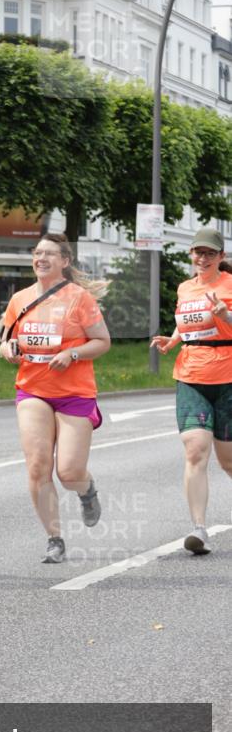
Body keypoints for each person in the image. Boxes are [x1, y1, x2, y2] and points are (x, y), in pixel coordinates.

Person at [0, 232, 111, 563]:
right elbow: (5, 341)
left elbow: (102, 341)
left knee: (69, 472)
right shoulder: (19, 299)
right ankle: (55, 539)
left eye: (49, 254)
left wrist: (73, 354)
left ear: (65, 261)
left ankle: (86, 491)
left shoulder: (79, 299)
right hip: (33, 389)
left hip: (74, 393)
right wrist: (8, 350)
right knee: (37, 466)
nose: (41, 258)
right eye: (37, 253)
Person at [151, 227, 232, 555]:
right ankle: (199, 529)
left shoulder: (229, 285)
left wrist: (225, 313)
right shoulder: (185, 288)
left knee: (228, 460)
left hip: (227, 376)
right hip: (190, 374)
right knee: (195, 449)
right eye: (198, 252)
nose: (202, 258)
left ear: (221, 257)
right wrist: (174, 339)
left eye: (210, 253)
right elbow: (187, 322)